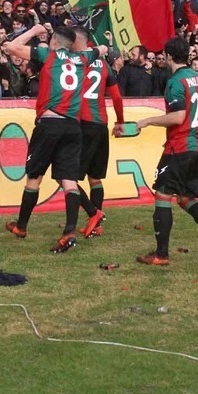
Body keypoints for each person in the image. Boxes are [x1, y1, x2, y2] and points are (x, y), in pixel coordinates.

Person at [134, 36, 198, 268]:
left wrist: (146, 121)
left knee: (163, 195)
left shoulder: (175, 82)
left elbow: (177, 117)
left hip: (181, 146)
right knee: (185, 197)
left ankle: (161, 254)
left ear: (168, 55)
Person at [0, 22, 98, 253]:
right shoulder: (84, 59)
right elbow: (101, 50)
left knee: (35, 175)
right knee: (69, 180)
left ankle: (21, 226)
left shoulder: (49, 55)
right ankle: (69, 231)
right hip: (73, 126)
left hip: (50, 123)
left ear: (54, 42)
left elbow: (11, 48)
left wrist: (34, 30)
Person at [71, 28, 126, 239]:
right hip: (101, 124)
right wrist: (120, 122)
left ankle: (93, 213)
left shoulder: (77, 61)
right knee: (95, 177)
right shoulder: (103, 65)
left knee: (69, 177)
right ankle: (96, 223)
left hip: (83, 123)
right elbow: (117, 98)